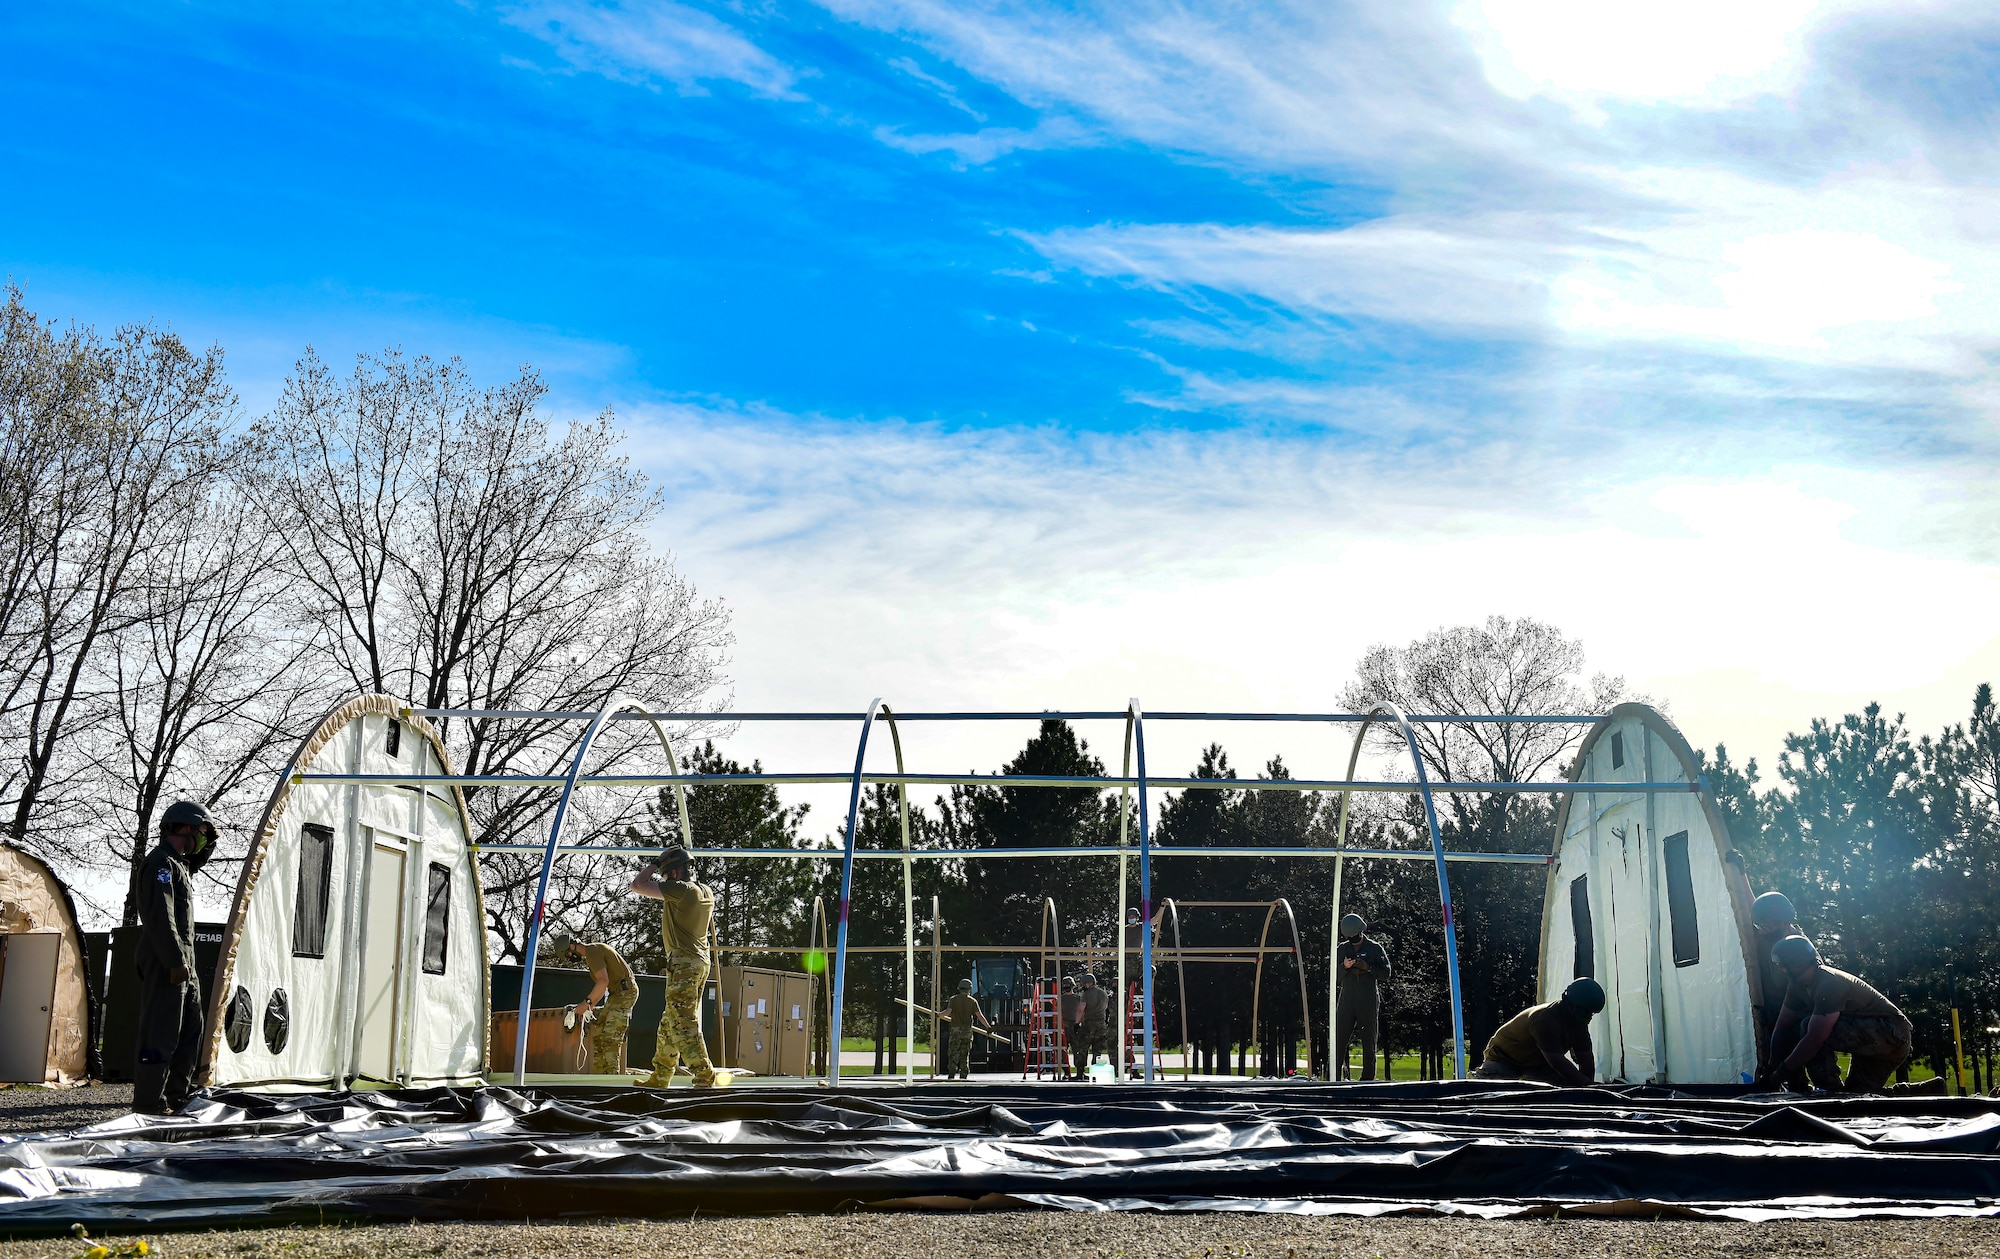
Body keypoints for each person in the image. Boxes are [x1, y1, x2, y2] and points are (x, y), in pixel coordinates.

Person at [134, 800, 217, 1115]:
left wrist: (211, 837)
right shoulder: (160, 864)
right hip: (167, 961)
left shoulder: (180, 865)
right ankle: (148, 1103)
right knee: (161, 1033)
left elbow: (199, 859)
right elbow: (160, 918)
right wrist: (174, 963)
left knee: (189, 1031)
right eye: (201, 832)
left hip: (186, 965)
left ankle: (176, 1097)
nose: (204, 839)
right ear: (185, 827)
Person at [1758, 935, 1912, 1093]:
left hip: (1891, 1034)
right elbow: (1782, 1028)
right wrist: (1771, 1067)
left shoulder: (1828, 984)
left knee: (1806, 1026)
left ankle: (1828, 1090)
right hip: (1878, 1037)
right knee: (1855, 1098)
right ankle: (1920, 1090)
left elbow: (1815, 1039)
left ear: (1794, 964)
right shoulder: (1798, 985)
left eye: (1780, 965)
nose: (1780, 970)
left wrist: (1780, 1074)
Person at [629, 846, 717, 1088]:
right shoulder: (705, 891)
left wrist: (656, 862)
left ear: (675, 874)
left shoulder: (681, 890)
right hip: (699, 961)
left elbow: (637, 885)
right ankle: (660, 1077)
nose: (664, 881)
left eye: (666, 876)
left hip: (684, 962)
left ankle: (704, 1075)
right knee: (670, 1022)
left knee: (683, 1021)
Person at [1474, 978, 1603, 1086]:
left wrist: (1589, 1091)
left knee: (1561, 1091)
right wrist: (1587, 1085)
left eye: (1591, 1013)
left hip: (1537, 1065)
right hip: (1503, 1060)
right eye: (1585, 1012)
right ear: (1570, 1005)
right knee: (1499, 1097)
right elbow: (1558, 1062)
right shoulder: (1544, 1020)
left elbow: (1586, 1059)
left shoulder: (1579, 1023)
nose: (1589, 1017)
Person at [552, 934, 640, 1074]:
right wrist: (588, 1009)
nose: (570, 956)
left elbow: (602, 981)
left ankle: (611, 1078)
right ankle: (598, 1074)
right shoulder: (592, 954)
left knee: (610, 1037)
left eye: (568, 953)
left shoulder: (592, 952)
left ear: (572, 946)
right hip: (616, 994)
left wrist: (585, 1003)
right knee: (599, 1033)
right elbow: (602, 987)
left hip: (625, 992)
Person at [1747, 889, 1806, 1085]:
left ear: (1782, 922)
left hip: (1797, 1014)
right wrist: (1741, 872)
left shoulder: (1798, 944)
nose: (1761, 928)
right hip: (1771, 1012)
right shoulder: (1762, 937)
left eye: (1766, 924)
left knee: (1809, 1062)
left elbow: (1808, 984)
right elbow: (1749, 904)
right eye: (1759, 924)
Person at [1333, 913, 1391, 1081]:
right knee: (1339, 1038)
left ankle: (1367, 1078)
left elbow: (1386, 973)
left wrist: (1368, 967)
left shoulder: (1374, 948)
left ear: (1361, 931)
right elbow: (1333, 977)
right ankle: (1334, 1077)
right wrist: (1344, 967)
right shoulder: (1342, 949)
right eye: (1349, 937)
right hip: (1347, 997)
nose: (1353, 939)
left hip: (1368, 998)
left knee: (1369, 1041)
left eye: (1355, 935)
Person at [945, 977, 991, 1079]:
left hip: (955, 1030)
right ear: (969, 989)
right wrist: (988, 1027)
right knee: (964, 1052)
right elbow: (980, 1016)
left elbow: (947, 1012)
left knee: (953, 1051)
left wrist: (939, 1015)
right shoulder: (972, 1001)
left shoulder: (953, 1000)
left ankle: (952, 1071)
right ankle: (964, 1074)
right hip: (967, 1031)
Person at [1077, 972, 1109, 1077]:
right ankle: (1096, 1073)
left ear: (1087, 984)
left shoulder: (1086, 994)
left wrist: (1076, 1023)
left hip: (1089, 1023)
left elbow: (1081, 1009)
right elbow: (1105, 1007)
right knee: (1097, 1049)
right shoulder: (1103, 993)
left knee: (1083, 1048)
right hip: (1101, 1023)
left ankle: (1080, 1072)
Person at [1059, 976, 1083, 1079]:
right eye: (1064, 985)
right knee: (1063, 1050)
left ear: (1072, 985)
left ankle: (1079, 1073)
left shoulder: (1078, 998)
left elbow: (1082, 1012)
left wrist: (1080, 1024)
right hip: (1064, 1026)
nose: (1066, 986)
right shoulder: (1060, 999)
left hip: (1075, 1026)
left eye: (1068, 984)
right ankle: (1066, 1072)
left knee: (1078, 1050)